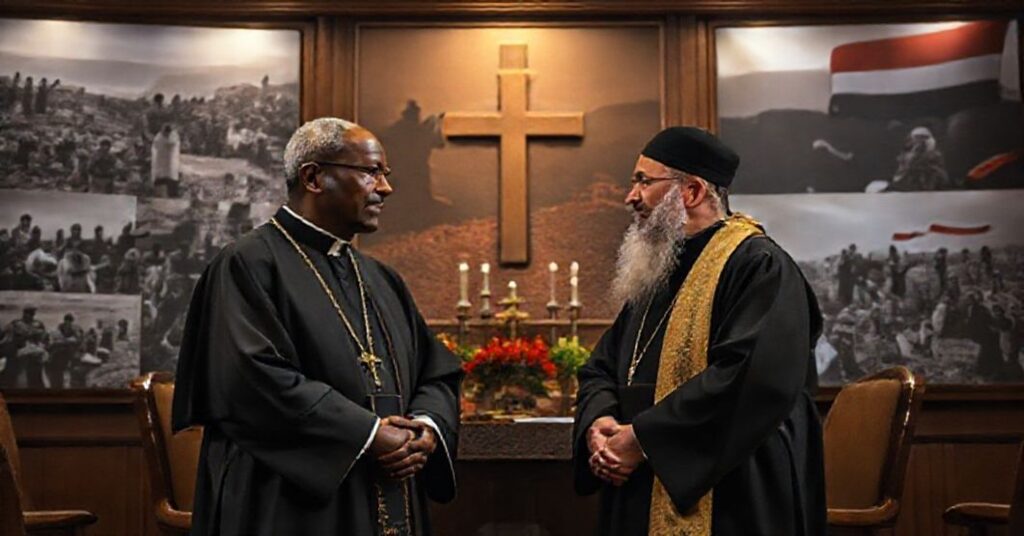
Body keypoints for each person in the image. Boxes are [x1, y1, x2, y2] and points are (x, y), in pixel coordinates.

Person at [172, 117, 461, 535]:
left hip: (385, 487)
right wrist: (367, 434)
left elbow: (437, 371)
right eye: (370, 172)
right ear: (313, 177)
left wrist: (425, 430)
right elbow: (250, 382)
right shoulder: (247, 264)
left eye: (385, 174)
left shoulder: (381, 279)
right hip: (286, 501)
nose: (385, 188)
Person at [573, 127, 826, 536]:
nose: (630, 196)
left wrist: (643, 438)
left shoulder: (758, 265)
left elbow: (750, 380)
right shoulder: (658, 271)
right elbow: (600, 366)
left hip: (732, 488)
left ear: (690, 191)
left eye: (643, 181)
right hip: (639, 474)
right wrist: (600, 422)